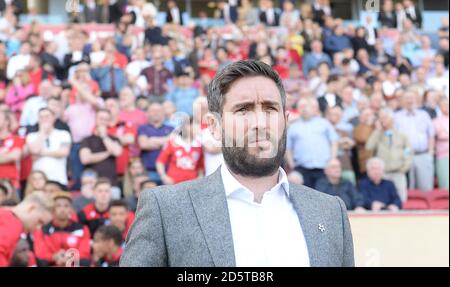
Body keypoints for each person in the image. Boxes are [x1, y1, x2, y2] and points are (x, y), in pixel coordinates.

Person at [121, 60, 354, 267]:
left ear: (285, 120)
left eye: (270, 109)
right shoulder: (165, 209)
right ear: (214, 126)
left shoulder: (331, 212)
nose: (259, 123)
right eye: (243, 110)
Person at [286, 97, 338, 188]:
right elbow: (288, 148)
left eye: (306, 106)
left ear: (312, 108)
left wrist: (332, 159)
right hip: (302, 168)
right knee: (305, 198)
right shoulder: (293, 127)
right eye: (301, 107)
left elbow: (334, 141)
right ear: (298, 109)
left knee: (324, 197)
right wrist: (292, 164)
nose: (304, 109)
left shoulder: (324, 123)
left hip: (323, 168)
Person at [366, 108, 413, 202]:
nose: (382, 120)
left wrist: (404, 168)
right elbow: (369, 147)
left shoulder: (402, 136)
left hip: (398, 172)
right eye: (381, 118)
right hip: (383, 174)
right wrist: (378, 130)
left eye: (385, 117)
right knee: (383, 199)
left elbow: (408, 151)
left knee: (401, 199)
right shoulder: (378, 135)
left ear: (392, 119)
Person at [33, 192, 91, 267]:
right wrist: (54, 257)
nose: (62, 209)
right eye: (58, 206)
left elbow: (85, 254)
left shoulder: (82, 230)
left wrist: (69, 257)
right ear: (53, 209)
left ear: (71, 209)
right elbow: (40, 255)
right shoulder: (43, 230)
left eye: (66, 206)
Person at [394, 90, 435, 192]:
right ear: (402, 101)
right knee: (407, 187)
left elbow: (431, 134)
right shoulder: (397, 116)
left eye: (411, 98)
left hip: (423, 154)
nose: (409, 101)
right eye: (407, 98)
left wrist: (430, 152)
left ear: (416, 99)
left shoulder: (424, 115)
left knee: (425, 187)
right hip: (405, 154)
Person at [0, 191, 53, 266]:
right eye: (39, 221)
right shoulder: (13, 223)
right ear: (31, 208)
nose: (38, 228)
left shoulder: (4, 212)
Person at [25, 108, 71, 187]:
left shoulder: (63, 134)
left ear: (53, 118)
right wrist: (42, 133)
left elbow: (64, 152)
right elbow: (35, 150)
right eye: (41, 117)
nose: (44, 119)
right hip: (37, 182)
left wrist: (41, 153)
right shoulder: (31, 136)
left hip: (58, 179)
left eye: (47, 116)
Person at [79, 109, 123, 186]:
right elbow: (85, 159)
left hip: (111, 184)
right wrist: (108, 153)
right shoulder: (87, 139)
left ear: (109, 121)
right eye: (101, 118)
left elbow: (117, 152)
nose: (103, 121)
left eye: (106, 119)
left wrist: (103, 135)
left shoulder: (114, 139)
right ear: (95, 119)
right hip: (91, 184)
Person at [156, 118, 204, 185]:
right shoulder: (174, 142)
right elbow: (160, 161)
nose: (198, 128)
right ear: (187, 126)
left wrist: (200, 177)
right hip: (174, 184)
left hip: (192, 185)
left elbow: (200, 165)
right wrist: (164, 177)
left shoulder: (199, 145)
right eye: (195, 125)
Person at [138, 102, 174, 184]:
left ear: (163, 113)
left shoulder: (171, 128)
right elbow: (143, 145)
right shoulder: (143, 128)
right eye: (153, 111)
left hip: (168, 172)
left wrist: (152, 140)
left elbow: (172, 144)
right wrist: (165, 141)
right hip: (149, 171)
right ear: (147, 113)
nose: (156, 113)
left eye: (158, 111)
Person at [0, 110, 23, 189]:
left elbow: (15, 156)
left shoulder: (16, 139)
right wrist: (6, 155)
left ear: (7, 121)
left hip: (11, 183)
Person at [433, 97, 449, 189]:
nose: (446, 107)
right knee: (445, 182)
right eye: (444, 105)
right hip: (443, 154)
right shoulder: (436, 121)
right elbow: (439, 135)